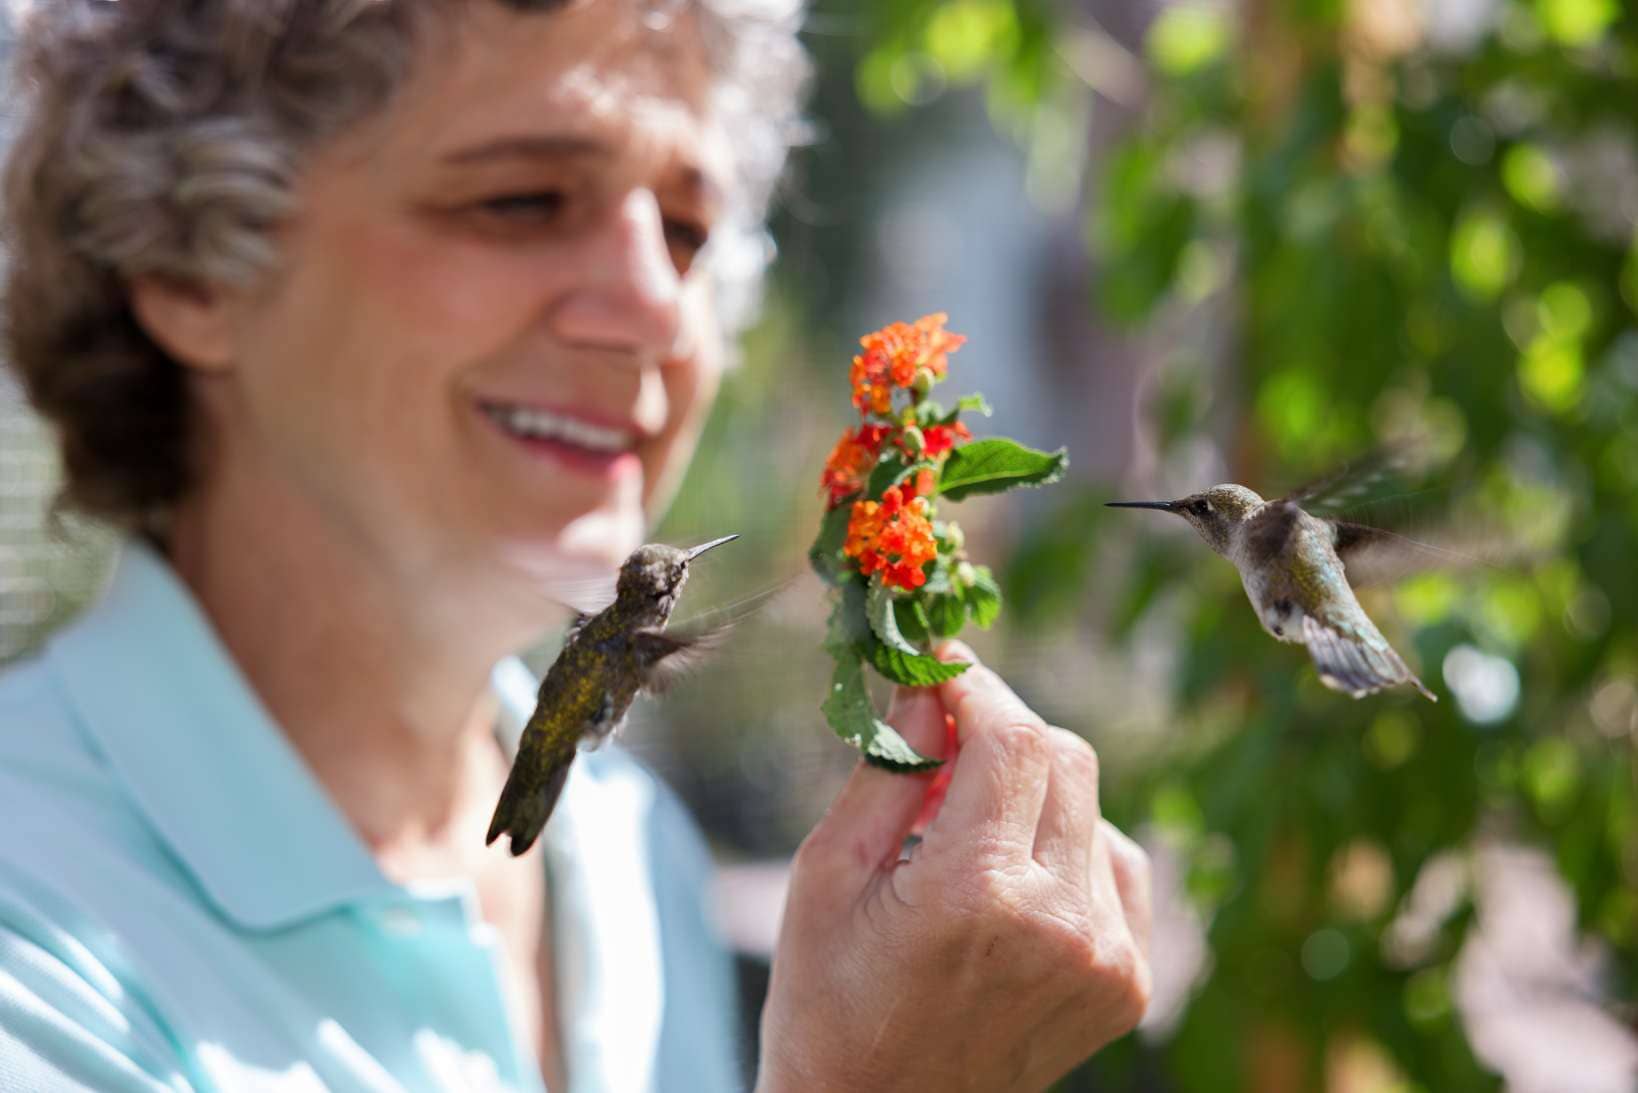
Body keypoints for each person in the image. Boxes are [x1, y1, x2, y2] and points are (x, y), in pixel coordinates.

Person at [0, 1, 1153, 1090]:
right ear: (195, 260)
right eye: (522, 200)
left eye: (691, 231)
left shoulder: (630, 856)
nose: (662, 308)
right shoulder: (31, 928)